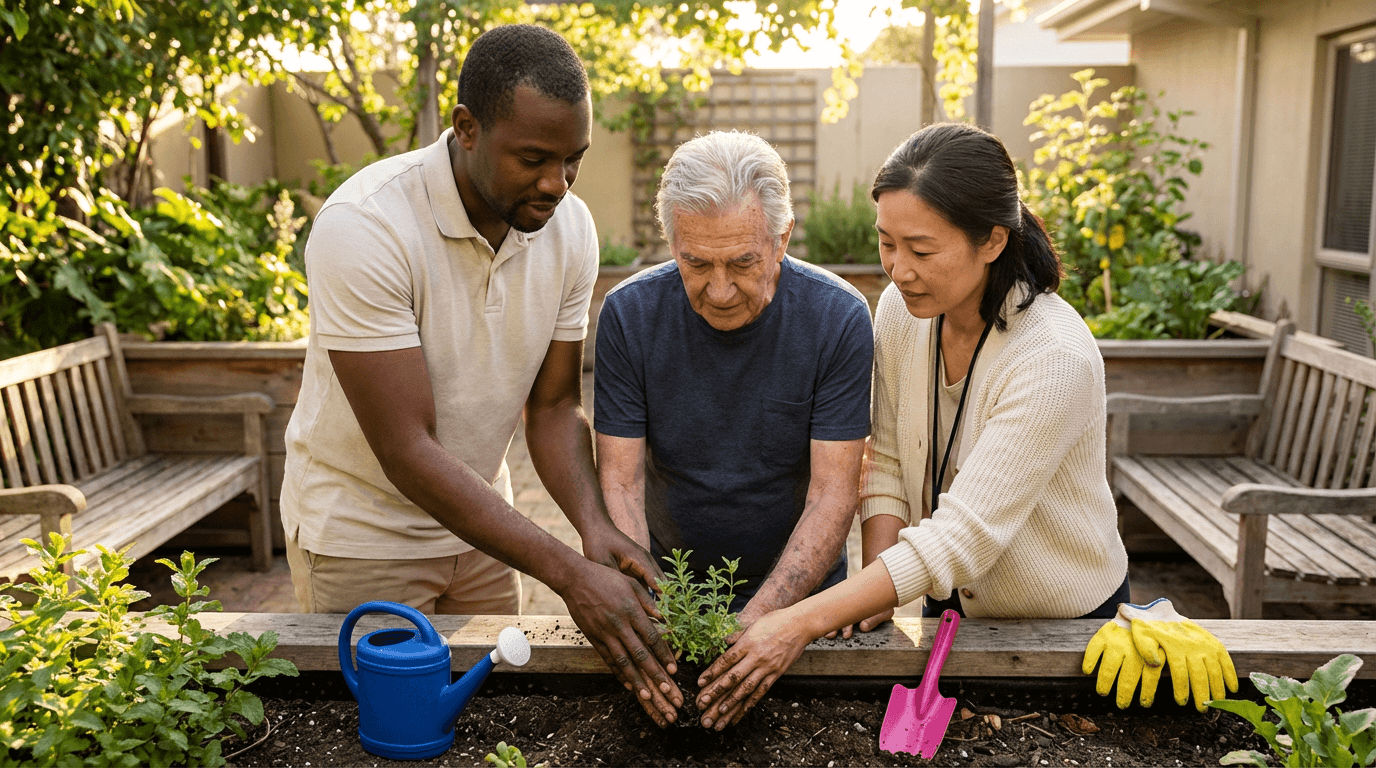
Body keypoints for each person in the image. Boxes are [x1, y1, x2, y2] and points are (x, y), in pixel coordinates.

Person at [280, 24, 683, 727]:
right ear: (466, 127)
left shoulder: (570, 228)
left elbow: (553, 407)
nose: (557, 184)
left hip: (482, 533)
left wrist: (593, 528)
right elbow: (407, 448)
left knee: (489, 725)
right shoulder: (365, 225)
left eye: (574, 160)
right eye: (533, 158)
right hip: (363, 538)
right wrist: (565, 573)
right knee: (390, 732)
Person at [692, 123, 1132, 729]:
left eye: (921, 250)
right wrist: (881, 593)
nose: (898, 270)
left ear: (993, 241)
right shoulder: (905, 310)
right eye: (886, 244)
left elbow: (959, 538)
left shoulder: (1053, 359)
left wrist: (797, 620)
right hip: (951, 620)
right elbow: (890, 460)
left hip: (1068, 637)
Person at [594, 131, 873, 634]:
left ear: (782, 238)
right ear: (673, 242)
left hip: (804, 601)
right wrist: (652, 602)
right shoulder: (629, 315)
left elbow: (833, 493)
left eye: (743, 262)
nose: (719, 291)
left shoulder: (839, 318)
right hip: (671, 589)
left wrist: (763, 619)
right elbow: (621, 482)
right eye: (696, 263)